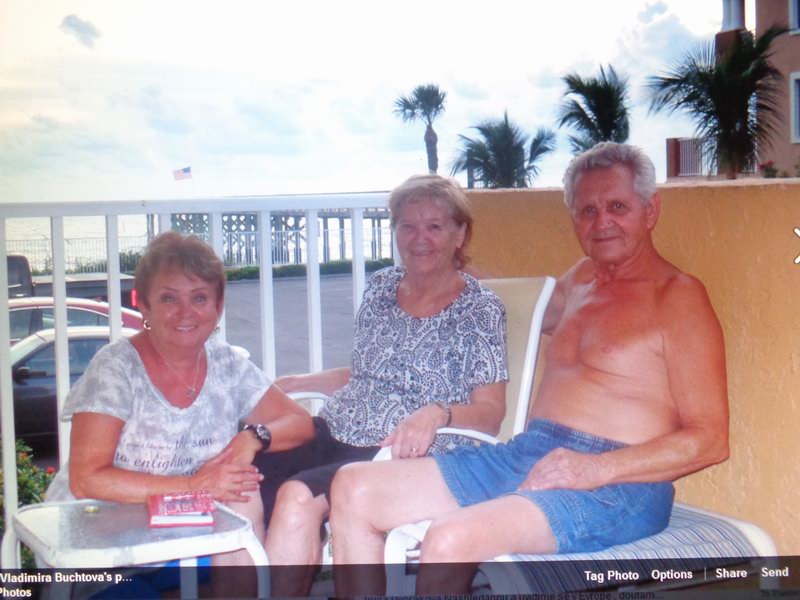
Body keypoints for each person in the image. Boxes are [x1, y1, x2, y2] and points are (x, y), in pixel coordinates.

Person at [329, 142, 730, 595]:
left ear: (650, 210)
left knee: (450, 539)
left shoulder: (677, 297)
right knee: (352, 488)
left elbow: (711, 440)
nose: (602, 222)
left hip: (618, 483)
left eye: (617, 206)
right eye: (587, 210)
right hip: (530, 451)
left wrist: (594, 469)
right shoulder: (580, 279)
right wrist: (438, 267)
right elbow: (518, 304)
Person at [255, 174, 508, 595]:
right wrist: (295, 381)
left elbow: (492, 413)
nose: (419, 238)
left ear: (460, 234)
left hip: (397, 450)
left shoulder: (479, 310)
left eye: (434, 226)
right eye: (407, 226)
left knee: (297, 497)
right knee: (251, 467)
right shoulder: (380, 287)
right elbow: (369, 374)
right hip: (337, 428)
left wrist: (438, 413)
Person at [45, 231, 315, 569]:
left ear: (218, 306)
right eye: (169, 299)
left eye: (200, 298)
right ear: (143, 305)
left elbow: (300, 422)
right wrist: (192, 486)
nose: (186, 313)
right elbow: (86, 479)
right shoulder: (115, 367)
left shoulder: (227, 364)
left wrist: (252, 438)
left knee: (241, 495)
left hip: (184, 533)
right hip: (100, 539)